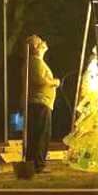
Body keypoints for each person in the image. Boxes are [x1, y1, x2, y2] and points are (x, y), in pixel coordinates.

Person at [25, 34, 60, 173]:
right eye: (40, 42)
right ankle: (38, 164)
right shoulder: (35, 62)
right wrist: (54, 82)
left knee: (37, 134)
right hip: (40, 102)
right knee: (41, 135)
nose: (44, 43)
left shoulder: (37, 61)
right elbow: (40, 80)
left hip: (41, 102)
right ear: (35, 47)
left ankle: (33, 163)